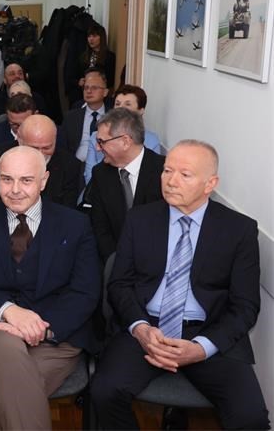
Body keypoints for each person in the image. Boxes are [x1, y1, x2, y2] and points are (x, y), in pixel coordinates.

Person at [91, 140, 270, 430]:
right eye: (167, 171)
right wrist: (140, 328)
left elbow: (245, 307)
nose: (171, 181)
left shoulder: (239, 230)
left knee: (251, 418)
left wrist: (201, 348)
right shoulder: (140, 219)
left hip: (209, 333)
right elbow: (119, 284)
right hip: (147, 328)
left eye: (184, 174)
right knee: (104, 391)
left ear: (210, 184)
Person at [0, 146, 101, 430]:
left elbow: (85, 292)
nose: (15, 190)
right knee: (6, 346)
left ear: (44, 181)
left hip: (55, 338)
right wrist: (8, 311)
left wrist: (43, 328)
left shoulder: (75, 225)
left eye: (26, 180)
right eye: (7, 179)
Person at [88, 108, 165, 262]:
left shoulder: (164, 172)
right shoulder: (100, 174)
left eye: (101, 141)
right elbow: (100, 227)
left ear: (125, 142)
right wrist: (115, 262)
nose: (97, 148)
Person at [0, 114, 81, 209]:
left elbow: (67, 210)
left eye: (47, 148)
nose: (40, 154)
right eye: (34, 148)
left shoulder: (70, 164)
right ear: (20, 140)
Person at [84, 84, 161, 184]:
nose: (121, 108)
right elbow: (90, 177)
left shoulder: (151, 140)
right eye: (117, 104)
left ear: (141, 111)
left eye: (127, 104)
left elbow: (152, 176)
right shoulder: (97, 136)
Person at [59, 68, 111, 162]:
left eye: (94, 88)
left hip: (105, 165)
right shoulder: (71, 117)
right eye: (86, 88)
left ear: (105, 92)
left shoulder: (113, 117)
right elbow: (62, 149)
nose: (89, 91)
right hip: (77, 165)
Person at [78, 23, 116, 92]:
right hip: (85, 91)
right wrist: (79, 81)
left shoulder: (109, 57)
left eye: (94, 36)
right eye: (89, 36)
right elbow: (78, 75)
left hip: (101, 92)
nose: (91, 39)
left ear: (101, 37)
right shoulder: (83, 56)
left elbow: (110, 81)